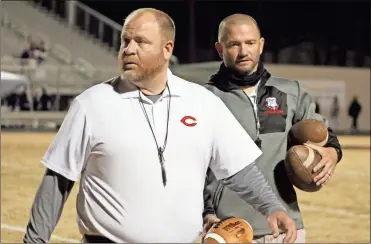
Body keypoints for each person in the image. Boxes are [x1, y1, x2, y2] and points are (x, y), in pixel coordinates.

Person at [23, 8, 297, 243]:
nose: (129, 49)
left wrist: (273, 208)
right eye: (125, 40)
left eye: (141, 41)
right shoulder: (92, 104)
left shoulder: (202, 102)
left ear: (167, 49)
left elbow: (238, 170)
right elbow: (58, 180)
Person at [202, 14, 343, 243]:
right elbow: (192, 165)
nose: (243, 51)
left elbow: (323, 133)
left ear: (261, 45)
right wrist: (206, 212)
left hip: (287, 227)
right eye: (234, 44)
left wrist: (332, 152)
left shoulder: (291, 91)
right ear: (220, 49)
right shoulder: (204, 99)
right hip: (229, 229)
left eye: (250, 43)